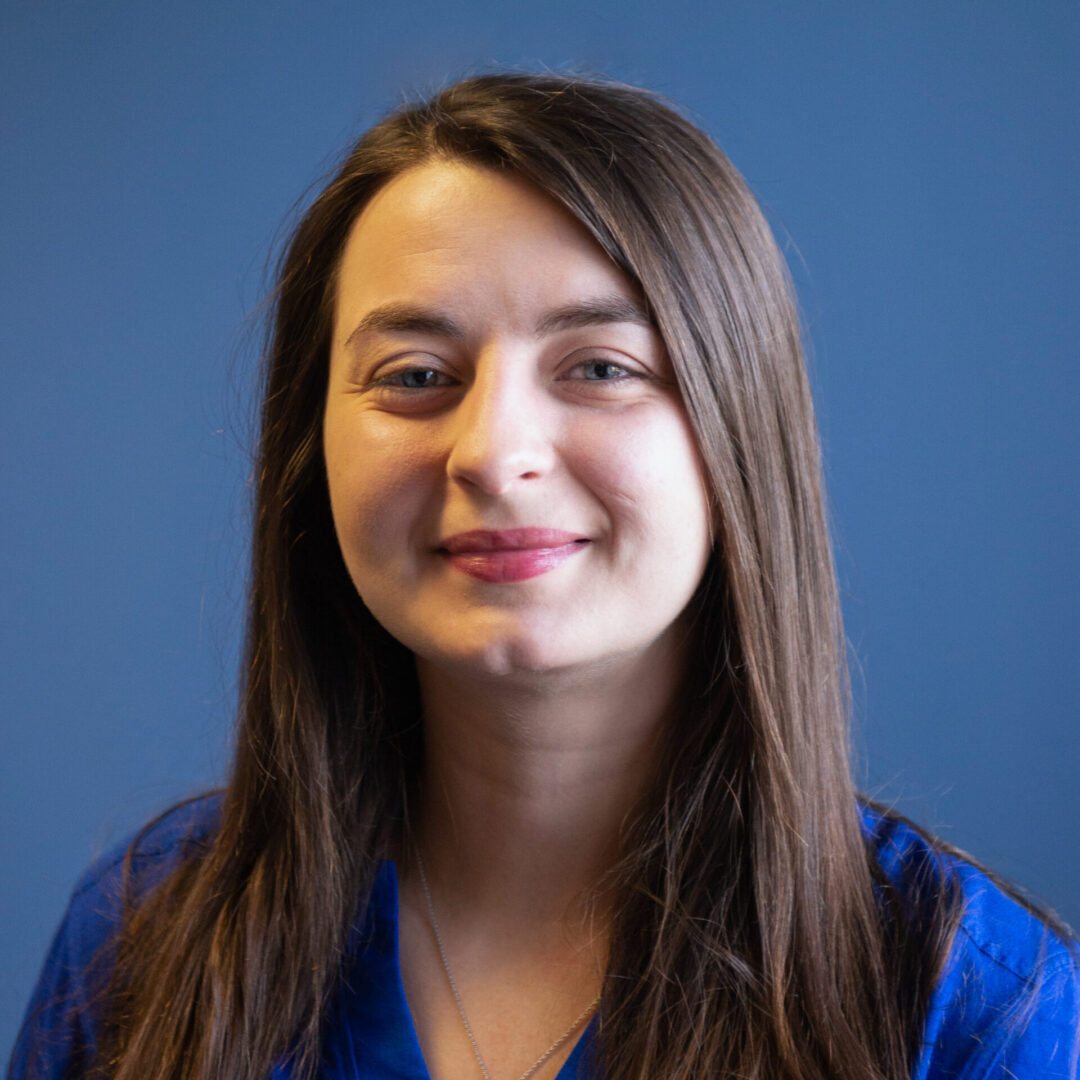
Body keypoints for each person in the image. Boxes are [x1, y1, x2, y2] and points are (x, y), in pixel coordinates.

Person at [10, 71, 1079, 1080]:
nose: (492, 450)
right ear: (308, 452)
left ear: (737, 436)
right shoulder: (141, 944)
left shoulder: (970, 1008)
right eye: (416, 376)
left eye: (601, 369)